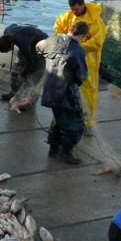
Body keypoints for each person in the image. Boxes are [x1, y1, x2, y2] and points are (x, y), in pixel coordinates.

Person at [36, 20, 89, 164]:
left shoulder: (52, 40)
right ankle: (65, 152)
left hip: (49, 90)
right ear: (82, 35)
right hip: (66, 92)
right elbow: (81, 75)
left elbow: (38, 47)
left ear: (70, 29)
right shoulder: (78, 50)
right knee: (76, 124)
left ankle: (53, 149)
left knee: (57, 119)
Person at [54, 0, 106, 134]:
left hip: (88, 62)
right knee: (68, 91)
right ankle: (68, 119)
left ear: (83, 5)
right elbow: (58, 29)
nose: (74, 12)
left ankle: (88, 123)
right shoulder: (67, 16)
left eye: (76, 9)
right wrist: (63, 42)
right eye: (72, 9)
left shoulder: (95, 21)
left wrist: (76, 47)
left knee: (88, 92)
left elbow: (96, 42)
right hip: (69, 60)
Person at [0, 25, 49, 106]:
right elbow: (14, 25)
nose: (8, 52)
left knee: (34, 74)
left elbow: (30, 63)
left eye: (8, 50)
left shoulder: (22, 43)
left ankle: (30, 101)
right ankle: (14, 93)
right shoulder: (7, 31)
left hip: (42, 45)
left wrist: (22, 75)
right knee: (16, 69)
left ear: (12, 45)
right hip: (29, 41)